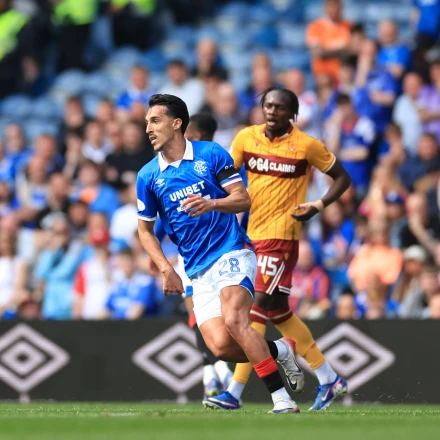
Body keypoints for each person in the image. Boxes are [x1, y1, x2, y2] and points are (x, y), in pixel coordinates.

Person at [137, 94, 304, 414]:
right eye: (147, 122)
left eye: (155, 121)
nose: (148, 128)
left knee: (235, 321)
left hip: (231, 251)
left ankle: (282, 399)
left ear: (177, 124)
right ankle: (280, 350)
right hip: (195, 269)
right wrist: (166, 269)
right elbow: (145, 230)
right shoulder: (148, 175)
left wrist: (211, 203)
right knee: (221, 347)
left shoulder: (211, 153)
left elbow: (242, 199)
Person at [206, 87, 351, 412]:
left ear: (292, 114)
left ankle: (234, 392)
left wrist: (318, 204)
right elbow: (226, 177)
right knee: (278, 313)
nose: (272, 111)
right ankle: (329, 378)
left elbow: (342, 177)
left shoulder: (306, 145)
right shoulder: (246, 138)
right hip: (250, 236)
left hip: (281, 238)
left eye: (280, 107)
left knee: (253, 311)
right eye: (268, 105)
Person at [306, 0, 352, 84]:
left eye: (336, 5)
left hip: (343, 75)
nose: (333, 9)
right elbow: (318, 52)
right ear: (325, 8)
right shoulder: (315, 27)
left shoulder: (349, 26)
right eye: (330, 6)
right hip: (323, 75)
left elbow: (353, 49)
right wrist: (342, 50)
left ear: (341, 7)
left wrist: (327, 50)